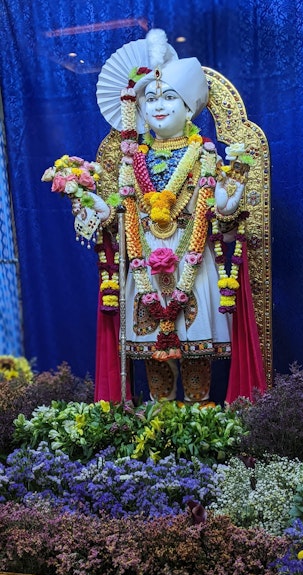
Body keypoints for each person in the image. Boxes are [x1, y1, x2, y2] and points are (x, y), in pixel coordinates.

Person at [74, 29, 266, 404]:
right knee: (151, 354)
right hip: (145, 258)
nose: (159, 105)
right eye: (150, 98)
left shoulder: (205, 154)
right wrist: (101, 210)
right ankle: (161, 420)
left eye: (169, 97)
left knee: (196, 348)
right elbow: (121, 212)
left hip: (190, 254)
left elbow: (220, 211)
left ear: (189, 108)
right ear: (140, 109)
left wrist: (228, 204)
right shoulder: (131, 161)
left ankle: (198, 420)